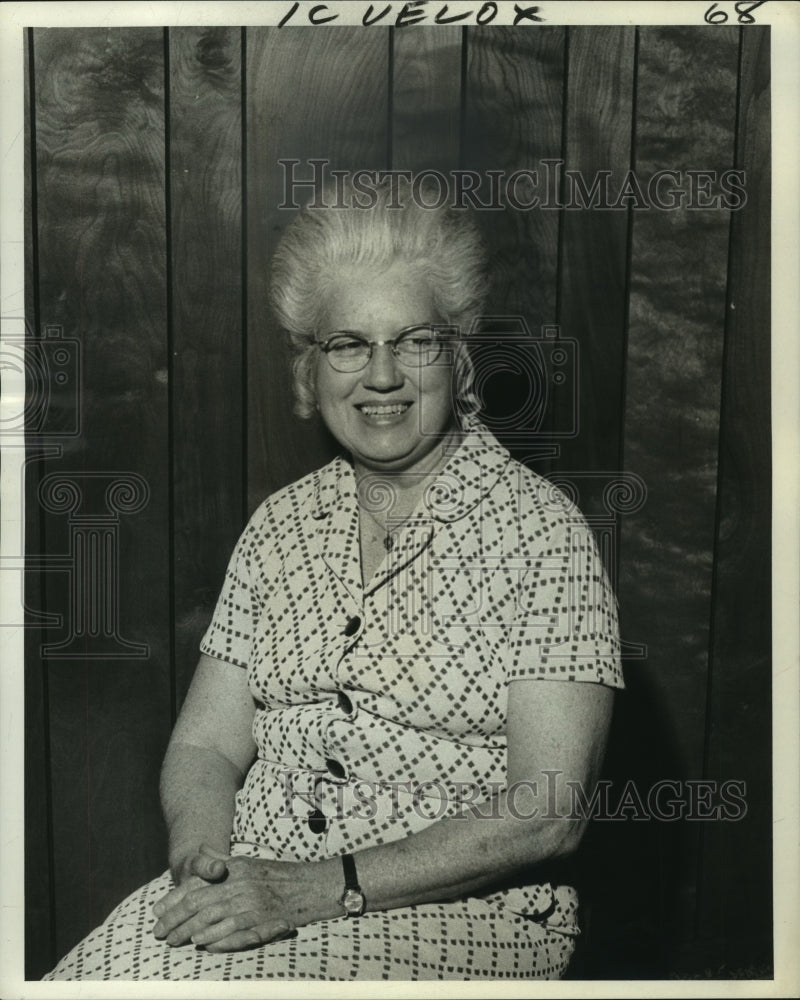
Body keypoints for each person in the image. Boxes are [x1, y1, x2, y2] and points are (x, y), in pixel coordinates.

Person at [44, 178, 623, 981]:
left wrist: (319, 891)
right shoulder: (280, 527)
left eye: (413, 341)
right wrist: (203, 862)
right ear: (309, 373)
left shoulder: (541, 536)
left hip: (456, 917)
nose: (380, 375)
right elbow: (206, 745)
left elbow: (547, 814)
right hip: (256, 883)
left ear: (458, 361)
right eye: (347, 344)